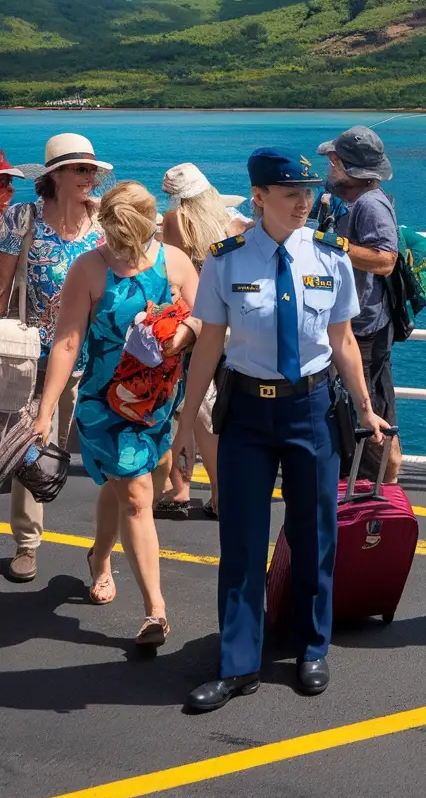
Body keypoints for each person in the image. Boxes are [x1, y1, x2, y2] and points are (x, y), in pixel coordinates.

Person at [172, 147, 388, 713]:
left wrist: (365, 408)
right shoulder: (227, 260)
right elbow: (209, 344)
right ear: (259, 197)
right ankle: (237, 662)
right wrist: (185, 427)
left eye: (308, 191)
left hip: (312, 408)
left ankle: (311, 647)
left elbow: (342, 341)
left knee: (315, 534)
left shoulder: (333, 257)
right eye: (290, 192)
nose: (304, 201)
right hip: (245, 412)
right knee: (241, 541)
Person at [33, 181, 199, 646]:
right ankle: (155, 612)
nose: (123, 250)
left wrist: (185, 332)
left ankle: (98, 559)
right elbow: (68, 342)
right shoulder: (88, 269)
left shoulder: (176, 262)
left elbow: (206, 315)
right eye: (115, 238)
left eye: (132, 238)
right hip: (106, 406)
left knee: (128, 484)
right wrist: (46, 413)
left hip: (161, 402)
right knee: (137, 495)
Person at [0, 133, 109, 583]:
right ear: (55, 176)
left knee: (78, 449)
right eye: (80, 169)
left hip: (92, 356)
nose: (89, 177)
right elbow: (2, 285)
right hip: (32, 357)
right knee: (33, 446)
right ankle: (27, 543)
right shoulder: (22, 219)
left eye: (91, 170)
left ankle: (105, 547)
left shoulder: (103, 223)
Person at [155, 163, 250, 519]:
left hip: (192, 323)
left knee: (193, 412)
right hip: (229, 323)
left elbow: (172, 273)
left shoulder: (175, 221)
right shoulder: (229, 220)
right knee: (207, 412)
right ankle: (199, 490)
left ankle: (201, 490)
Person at [317, 126, 401, 483]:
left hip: (364, 332)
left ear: (348, 165)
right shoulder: (351, 199)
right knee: (370, 412)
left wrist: (333, 244)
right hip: (359, 326)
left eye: (333, 160)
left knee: (371, 420)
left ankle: (380, 495)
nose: (329, 166)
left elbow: (385, 260)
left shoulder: (370, 204)